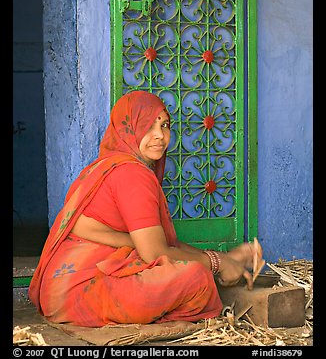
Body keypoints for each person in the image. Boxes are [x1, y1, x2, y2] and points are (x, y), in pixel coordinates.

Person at [29, 90, 262, 327]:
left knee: (173, 264)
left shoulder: (105, 166)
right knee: (197, 279)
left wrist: (224, 258)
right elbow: (155, 252)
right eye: (147, 126)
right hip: (79, 292)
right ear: (127, 129)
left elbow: (158, 245)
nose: (159, 135)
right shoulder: (132, 173)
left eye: (165, 125)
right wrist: (217, 264)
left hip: (59, 290)